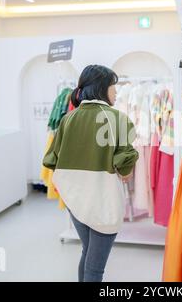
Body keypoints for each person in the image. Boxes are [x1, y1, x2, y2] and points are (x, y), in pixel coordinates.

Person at [43, 65, 139, 282]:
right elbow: (124, 166)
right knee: (95, 268)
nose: (116, 92)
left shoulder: (68, 119)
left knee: (87, 253)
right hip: (102, 202)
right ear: (101, 88)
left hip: (73, 199)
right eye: (113, 86)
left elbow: (50, 160)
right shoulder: (117, 119)